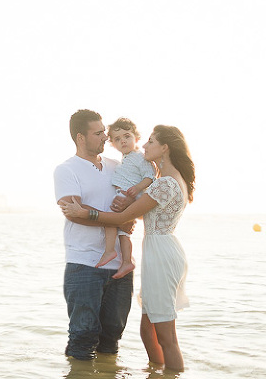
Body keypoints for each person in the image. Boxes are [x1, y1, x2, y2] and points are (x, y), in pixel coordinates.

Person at [60, 125, 195, 372]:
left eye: (151, 141)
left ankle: (171, 373)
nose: (144, 146)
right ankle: (156, 372)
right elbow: (140, 214)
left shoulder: (165, 183)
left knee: (166, 337)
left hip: (162, 255)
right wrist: (129, 211)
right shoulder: (167, 181)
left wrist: (85, 213)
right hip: (159, 251)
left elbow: (123, 216)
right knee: (148, 329)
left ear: (164, 148)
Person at [54, 109, 135, 362]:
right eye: (98, 133)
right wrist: (118, 218)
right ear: (81, 137)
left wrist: (127, 215)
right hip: (84, 264)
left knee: (112, 337)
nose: (105, 137)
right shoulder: (67, 170)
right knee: (82, 336)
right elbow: (73, 212)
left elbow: (132, 204)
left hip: (120, 267)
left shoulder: (117, 167)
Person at [98, 118, 156, 279]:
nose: (123, 141)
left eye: (127, 136)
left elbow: (150, 176)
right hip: (125, 195)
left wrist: (137, 188)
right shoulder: (126, 159)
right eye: (117, 139)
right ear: (113, 144)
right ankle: (126, 261)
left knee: (109, 220)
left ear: (136, 138)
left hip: (130, 195)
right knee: (124, 232)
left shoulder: (139, 157)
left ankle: (109, 251)